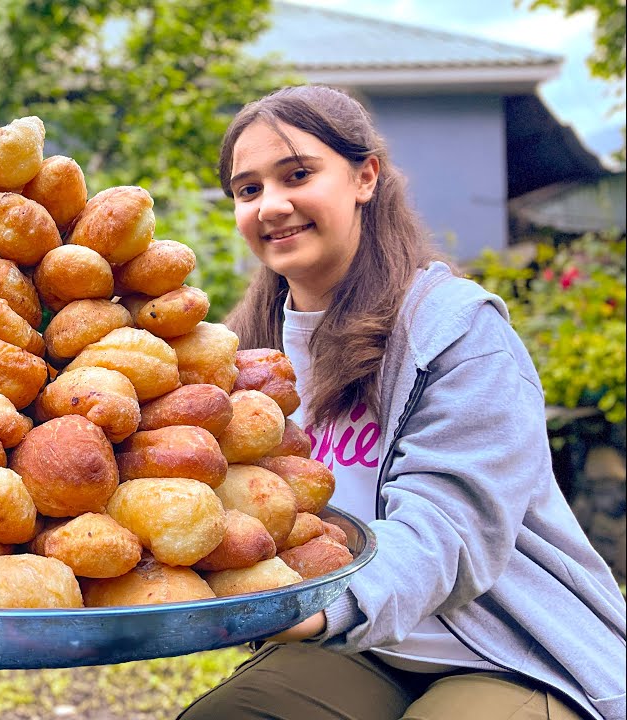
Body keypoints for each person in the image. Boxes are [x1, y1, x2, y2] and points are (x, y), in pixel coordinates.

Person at [178, 85, 625, 720]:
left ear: (365, 177)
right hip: (364, 650)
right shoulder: (239, 354)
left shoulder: (456, 331)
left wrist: (315, 608)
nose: (271, 205)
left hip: (507, 646)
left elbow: (450, 530)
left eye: (298, 174)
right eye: (247, 190)